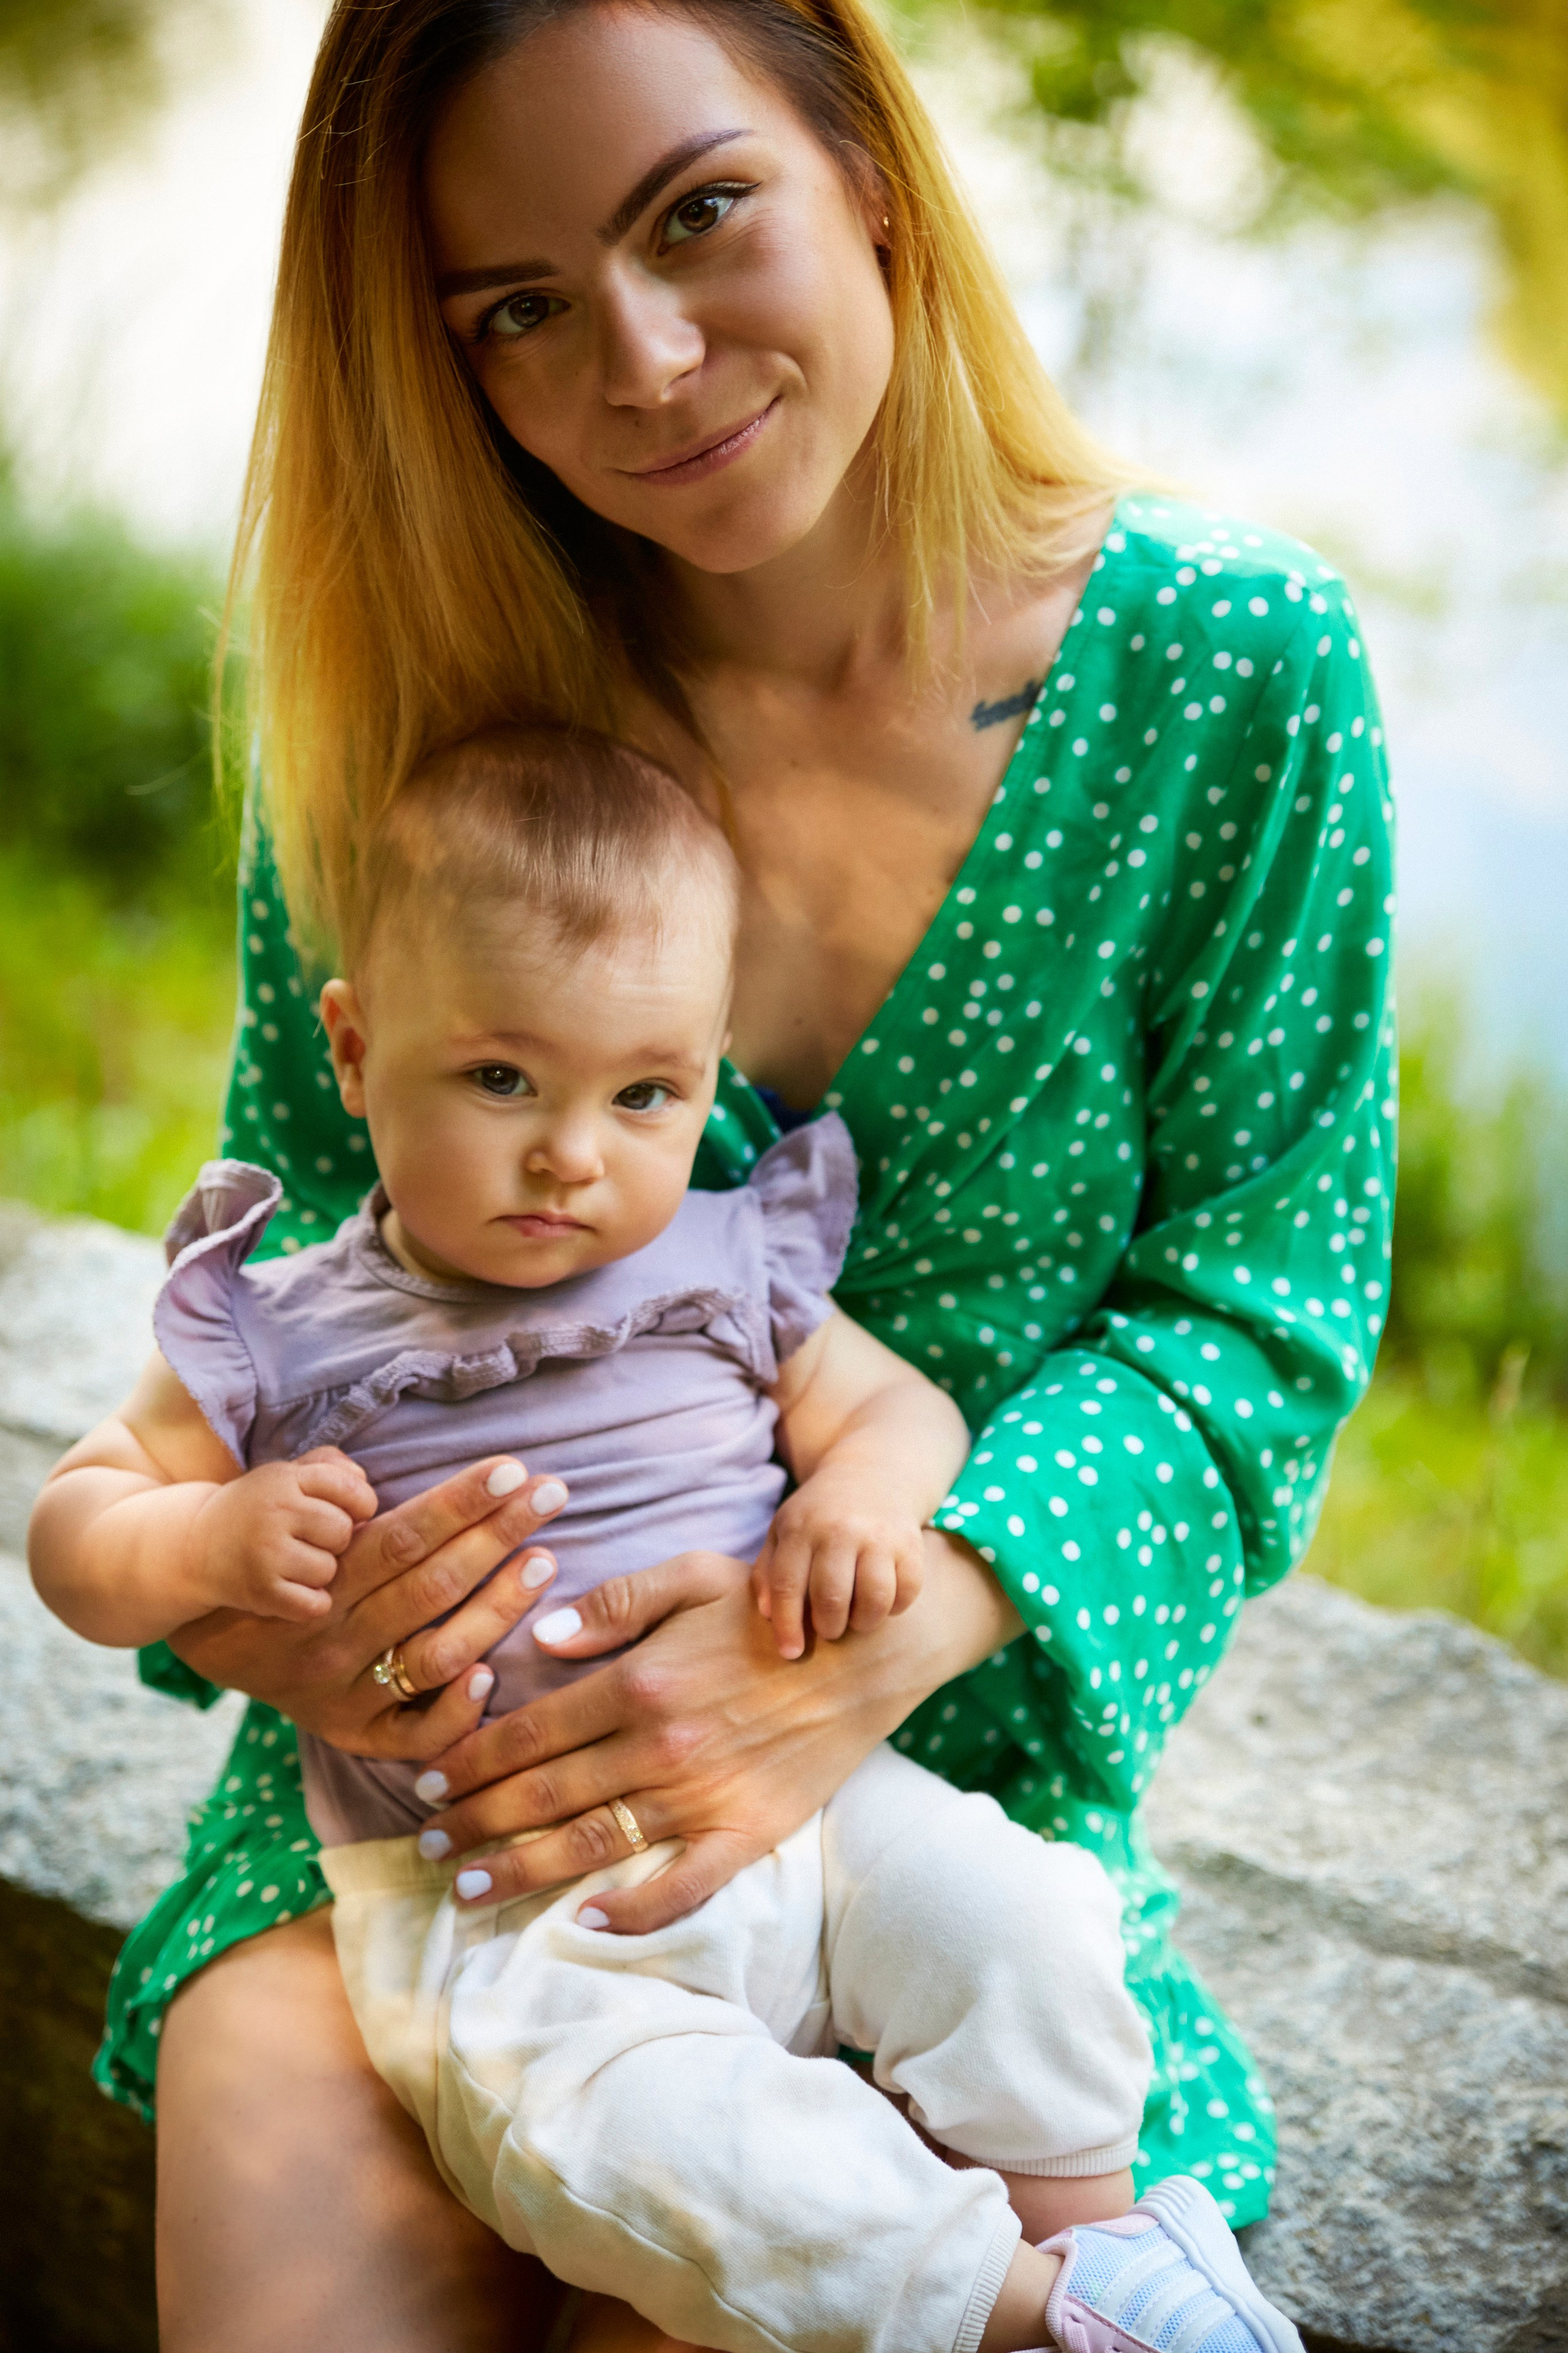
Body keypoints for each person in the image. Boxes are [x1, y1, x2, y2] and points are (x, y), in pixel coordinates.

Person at [83, 1, 1393, 2346]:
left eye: (698, 213)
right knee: (280, 2107)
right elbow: (289, 1279)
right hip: (435, 1817)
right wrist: (269, 1606)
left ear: (870, 165)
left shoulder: (1230, 675)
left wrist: (857, 1653)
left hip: (922, 1779)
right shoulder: (416, 738)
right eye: (520, 309)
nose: (652, 361)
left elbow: (1256, 1313)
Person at [35, 725, 1305, 2353]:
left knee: (1018, 1921)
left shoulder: (725, 1260)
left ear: (707, 1067)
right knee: (643, 2146)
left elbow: (899, 1411)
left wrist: (856, 1501)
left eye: (648, 1090)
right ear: (353, 1051)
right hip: (502, 1901)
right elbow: (82, 1518)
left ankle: (1111, 2229)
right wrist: (208, 1538)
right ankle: (1037, 2308)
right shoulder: (277, 1330)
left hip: (814, 1802)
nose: (575, 1150)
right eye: (504, 1078)